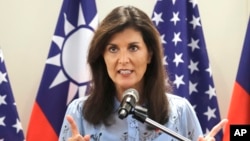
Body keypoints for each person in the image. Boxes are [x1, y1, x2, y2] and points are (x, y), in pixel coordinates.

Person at [59, 5, 227, 141]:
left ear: (150, 55)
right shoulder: (79, 112)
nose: (123, 59)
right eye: (113, 49)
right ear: (102, 56)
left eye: (133, 48)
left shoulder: (180, 111)